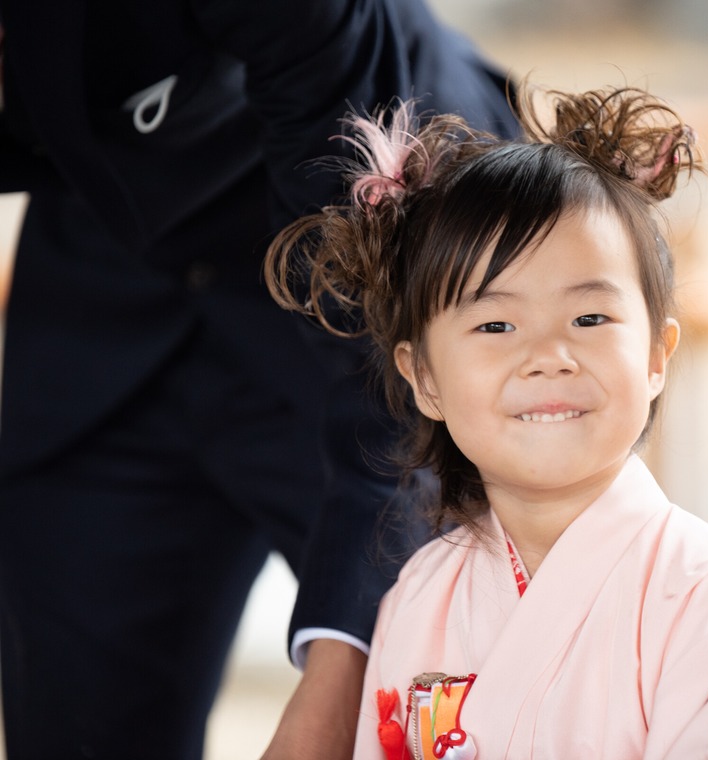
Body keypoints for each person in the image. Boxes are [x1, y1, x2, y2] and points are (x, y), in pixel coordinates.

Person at [0, 1, 516, 758]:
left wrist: (347, 671)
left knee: (429, 710)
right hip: (111, 269)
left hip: (382, 219)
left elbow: (391, 391)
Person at [266, 86, 708, 759]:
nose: (547, 358)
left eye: (589, 319)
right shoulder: (420, 597)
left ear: (656, 356)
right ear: (425, 378)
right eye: (496, 323)